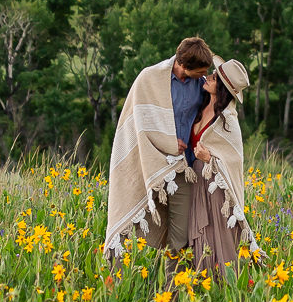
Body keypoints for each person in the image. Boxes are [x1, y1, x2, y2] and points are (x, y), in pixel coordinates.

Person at [104, 37, 214, 267]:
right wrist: (167, 141)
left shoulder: (200, 84)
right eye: (201, 70)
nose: (205, 73)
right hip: (149, 162)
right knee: (124, 220)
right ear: (184, 66)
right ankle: (113, 282)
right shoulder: (149, 79)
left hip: (183, 167)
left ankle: (171, 294)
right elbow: (138, 122)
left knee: (180, 236)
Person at [186, 56, 260, 276]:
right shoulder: (199, 106)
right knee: (199, 234)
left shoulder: (228, 120)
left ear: (223, 88)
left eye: (215, 77)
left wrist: (210, 158)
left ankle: (229, 284)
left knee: (219, 234)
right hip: (196, 183)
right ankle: (202, 279)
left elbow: (234, 161)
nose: (208, 76)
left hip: (215, 187)